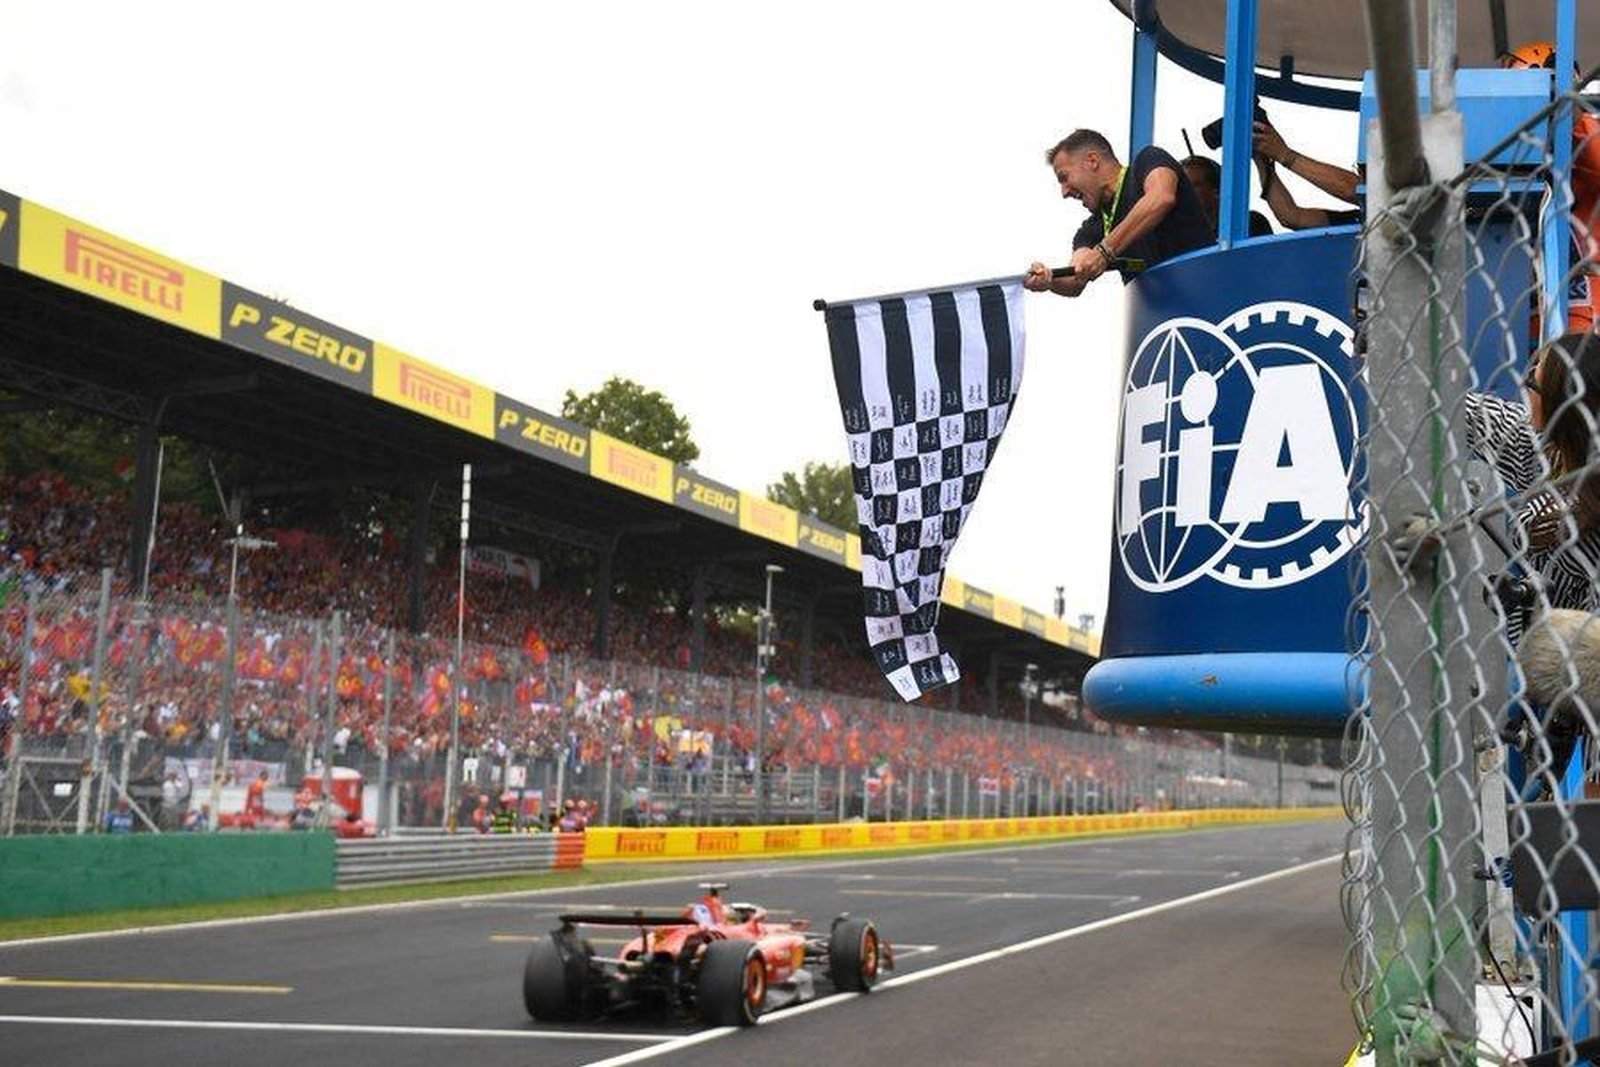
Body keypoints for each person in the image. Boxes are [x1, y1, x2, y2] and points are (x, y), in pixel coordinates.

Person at [1025, 129, 1212, 297]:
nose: (1064, 193)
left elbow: (1161, 196)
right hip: (1163, 321)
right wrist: (1048, 280)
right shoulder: (1092, 227)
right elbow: (1076, 278)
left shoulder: (1148, 160)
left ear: (1092, 161)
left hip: (1209, 291)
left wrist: (1105, 251)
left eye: (1064, 178)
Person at [1501, 41, 1600, 332]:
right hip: (1525, 325)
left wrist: (1569, 116)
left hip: (1587, 314)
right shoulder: (1505, 155)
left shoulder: (1585, 134)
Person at [1251, 117, 1362, 232]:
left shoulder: (1378, 212)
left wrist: (1284, 154)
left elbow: (1351, 189)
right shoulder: (1361, 219)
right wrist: (1262, 156)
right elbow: (1292, 217)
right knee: (1254, 223)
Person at [1179, 155, 1274, 239]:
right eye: (1181, 187)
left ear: (1217, 191)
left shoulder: (1248, 223)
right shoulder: (1181, 233)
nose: (1184, 192)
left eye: (1193, 186)